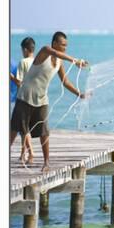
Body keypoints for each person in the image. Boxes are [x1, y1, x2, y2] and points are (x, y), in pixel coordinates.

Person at [10, 31, 88, 172]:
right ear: (54, 43)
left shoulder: (59, 63)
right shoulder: (45, 51)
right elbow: (57, 53)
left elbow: (65, 81)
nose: (65, 48)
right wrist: (75, 60)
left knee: (44, 131)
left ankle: (46, 163)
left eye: (66, 45)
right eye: (62, 45)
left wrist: (79, 94)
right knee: (15, 130)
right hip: (25, 96)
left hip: (42, 99)